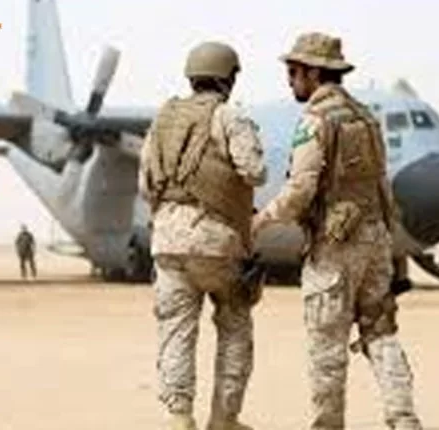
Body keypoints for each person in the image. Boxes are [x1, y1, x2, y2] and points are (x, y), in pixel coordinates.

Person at [251, 32, 423, 430]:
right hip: (375, 241)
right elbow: (380, 183)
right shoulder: (366, 118)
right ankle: (403, 419)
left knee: (326, 346)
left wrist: (260, 221)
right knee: (381, 332)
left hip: (335, 247)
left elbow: (300, 189)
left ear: (314, 73)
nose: (290, 80)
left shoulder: (317, 120)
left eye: (294, 72)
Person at [139, 41, 267, 430]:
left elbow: (145, 185)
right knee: (234, 326)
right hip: (217, 242)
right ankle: (224, 419)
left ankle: (179, 416)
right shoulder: (229, 117)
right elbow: (255, 171)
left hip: (167, 242)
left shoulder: (162, 121)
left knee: (176, 330)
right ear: (229, 78)